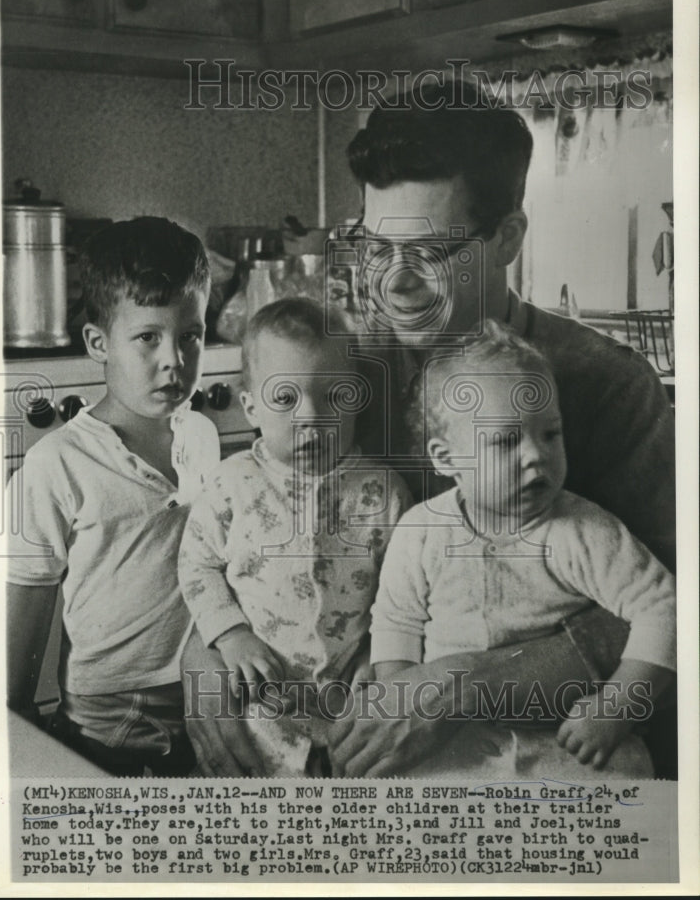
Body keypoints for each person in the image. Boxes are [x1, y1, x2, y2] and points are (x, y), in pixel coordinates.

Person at [183, 80, 677, 777]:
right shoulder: (339, 374)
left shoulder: (611, 388)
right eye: (375, 249)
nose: (395, 283)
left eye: (432, 252)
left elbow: (667, 606)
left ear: (507, 237)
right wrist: (203, 655)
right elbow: (233, 532)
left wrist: (462, 684)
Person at [370, 320, 675, 775]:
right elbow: (396, 625)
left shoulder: (580, 529)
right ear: (447, 458)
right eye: (506, 440)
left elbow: (664, 608)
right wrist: (403, 699)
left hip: (566, 735)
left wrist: (616, 706)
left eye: (550, 434)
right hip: (456, 739)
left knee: (620, 778)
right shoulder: (421, 532)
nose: (536, 454)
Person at [6, 217, 220, 776]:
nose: (174, 359)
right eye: (148, 337)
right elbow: (30, 593)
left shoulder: (202, 436)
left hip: (202, 696)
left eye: (190, 334)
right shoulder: (58, 463)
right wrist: (16, 713)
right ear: (98, 343)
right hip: (106, 715)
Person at [178, 298, 411, 775]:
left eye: (332, 397)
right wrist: (231, 635)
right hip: (258, 704)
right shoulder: (230, 483)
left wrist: (379, 656)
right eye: (285, 399)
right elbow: (197, 563)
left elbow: (401, 592)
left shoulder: (383, 491)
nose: (311, 418)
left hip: (348, 700)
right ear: (251, 407)